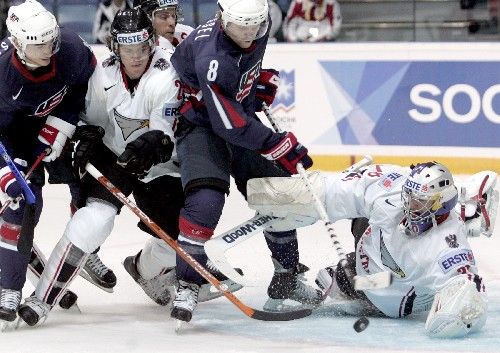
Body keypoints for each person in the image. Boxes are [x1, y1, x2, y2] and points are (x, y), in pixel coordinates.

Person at [16, 7, 239, 327]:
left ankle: (148, 270)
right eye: (126, 49)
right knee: (93, 220)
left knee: (178, 236)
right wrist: (85, 135)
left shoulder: (166, 74)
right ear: (114, 47)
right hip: (116, 157)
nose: (135, 57)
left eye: (141, 48)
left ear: (151, 43)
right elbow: (89, 120)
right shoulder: (103, 74)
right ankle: (41, 299)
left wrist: (155, 144)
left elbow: (163, 137)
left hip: (162, 166)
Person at [168, 0, 322, 323]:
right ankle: (187, 282)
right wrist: (276, 145)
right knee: (206, 200)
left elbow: (240, 80)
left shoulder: (255, 26)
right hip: (200, 125)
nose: (251, 33)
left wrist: (255, 83)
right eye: (242, 27)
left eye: (256, 25)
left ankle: (286, 276)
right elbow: (230, 125)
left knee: (277, 193)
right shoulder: (213, 58)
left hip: (232, 115)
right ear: (223, 20)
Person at [248, 162, 494, 338]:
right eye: (409, 196)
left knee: (339, 281)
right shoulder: (395, 192)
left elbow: (466, 286)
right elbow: (356, 189)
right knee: (370, 214)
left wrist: (457, 314)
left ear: (439, 205)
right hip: (377, 253)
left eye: (418, 202)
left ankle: (350, 284)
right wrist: (305, 198)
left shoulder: (444, 247)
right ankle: (472, 213)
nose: (408, 205)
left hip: (389, 290)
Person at [0, 0, 96, 323]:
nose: (48, 48)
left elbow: (85, 78)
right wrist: (5, 170)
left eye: (50, 39)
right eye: (38, 44)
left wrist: (64, 121)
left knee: (86, 180)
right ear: (18, 44)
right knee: (23, 205)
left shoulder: (67, 48)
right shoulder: (3, 76)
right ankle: (9, 287)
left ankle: (87, 250)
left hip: (56, 125)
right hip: (15, 136)